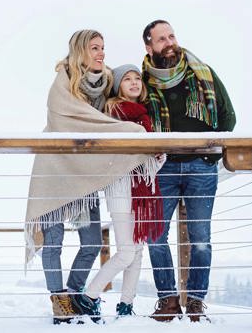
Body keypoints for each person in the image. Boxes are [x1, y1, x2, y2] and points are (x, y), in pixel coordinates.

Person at [25, 30, 156, 324]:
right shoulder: (61, 86)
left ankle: (75, 297)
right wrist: (133, 132)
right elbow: (87, 126)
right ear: (80, 51)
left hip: (85, 176)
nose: (101, 53)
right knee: (54, 241)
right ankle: (60, 304)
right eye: (94, 48)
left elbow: (115, 112)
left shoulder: (106, 84)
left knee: (92, 242)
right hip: (56, 173)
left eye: (103, 48)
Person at [141, 20, 236, 322]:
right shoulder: (142, 80)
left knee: (200, 238)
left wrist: (209, 155)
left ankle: (195, 302)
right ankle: (167, 300)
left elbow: (227, 117)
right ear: (149, 46)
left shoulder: (203, 73)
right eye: (161, 39)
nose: (168, 42)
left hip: (200, 167)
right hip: (162, 167)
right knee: (155, 236)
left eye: (171, 35)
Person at [77, 64, 165, 319]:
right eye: (127, 79)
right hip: (120, 185)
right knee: (127, 251)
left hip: (142, 187)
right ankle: (88, 296)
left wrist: (159, 156)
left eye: (137, 78)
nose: (135, 82)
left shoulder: (144, 115)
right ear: (118, 86)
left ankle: (126, 305)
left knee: (137, 250)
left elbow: (151, 160)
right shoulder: (113, 112)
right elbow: (117, 153)